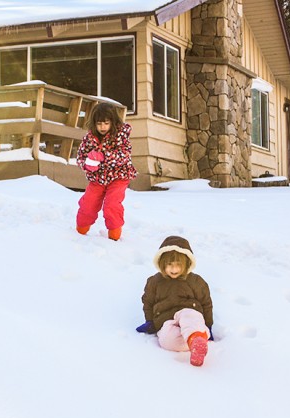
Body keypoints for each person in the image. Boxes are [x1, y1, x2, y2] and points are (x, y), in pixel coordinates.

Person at [137, 236, 213, 366]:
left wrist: (209, 324)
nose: (174, 269)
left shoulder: (195, 281)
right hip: (166, 319)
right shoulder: (155, 282)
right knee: (166, 340)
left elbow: (206, 303)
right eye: (169, 265)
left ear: (187, 264)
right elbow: (148, 302)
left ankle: (196, 337)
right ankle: (196, 341)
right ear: (162, 263)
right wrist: (150, 321)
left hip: (189, 312)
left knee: (189, 317)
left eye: (179, 265)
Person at [75, 102, 137, 241]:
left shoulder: (121, 136)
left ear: (113, 122)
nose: (103, 127)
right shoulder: (89, 138)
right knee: (88, 204)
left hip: (118, 176)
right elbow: (80, 156)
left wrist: (104, 157)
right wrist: (87, 164)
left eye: (106, 123)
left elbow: (124, 155)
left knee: (112, 205)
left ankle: (114, 235)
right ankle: (80, 230)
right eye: (99, 123)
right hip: (97, 179)